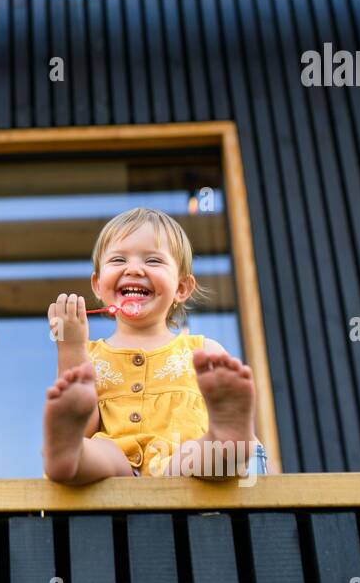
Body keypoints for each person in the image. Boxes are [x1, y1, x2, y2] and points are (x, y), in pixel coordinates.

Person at [42, 207, 270, 483]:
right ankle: (68, 452)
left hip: (182, 469)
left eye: (152, 260)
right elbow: (87, 428)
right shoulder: (88, 355)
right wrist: (71, 349)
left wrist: (249, 450)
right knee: (95, 449)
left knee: (194, 453)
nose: (134, 269)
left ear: (181, 289)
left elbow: (258, 472)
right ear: (98, 285)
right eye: (118, 259)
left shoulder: (203, 352)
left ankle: (227, 442)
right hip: (115, 472)